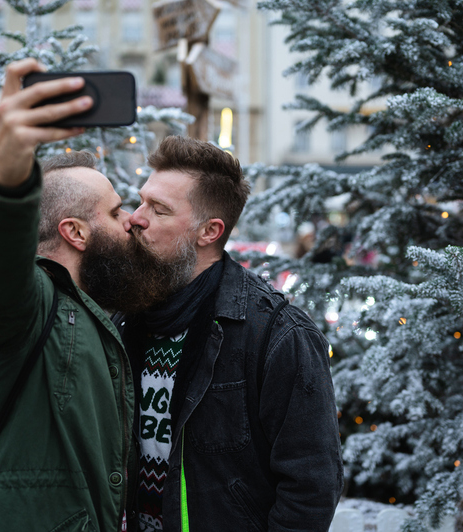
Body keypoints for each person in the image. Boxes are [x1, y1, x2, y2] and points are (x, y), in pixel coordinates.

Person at [0, 58, 144, 532]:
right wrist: (8, 167)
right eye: (117, 210)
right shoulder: (19, 303)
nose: (131, 221)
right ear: (75, 232)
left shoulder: (84, 310)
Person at [114, 136, 344, 532]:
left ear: (209, 231)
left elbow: (311, 486)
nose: (136, 217)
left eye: (160, 210)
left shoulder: (277, 334)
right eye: (142, 201)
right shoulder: (122, 315)